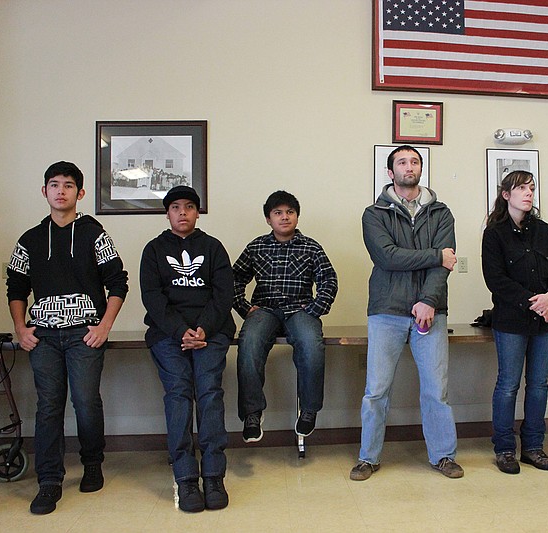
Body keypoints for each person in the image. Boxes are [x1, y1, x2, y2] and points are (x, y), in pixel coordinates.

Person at [6, 161, 128, 514]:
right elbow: (16, 286)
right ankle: (49, 480)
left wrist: (104, 325)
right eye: (54, 185)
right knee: (48, 406)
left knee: (86, 401)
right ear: (44, 191)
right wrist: (20, 327)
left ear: (80, 193)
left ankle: (92, 463)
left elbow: (118, 281)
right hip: (42, 336)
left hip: (84, 335)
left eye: (69, 185)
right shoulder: (29, 239)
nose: (61, 190)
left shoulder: (94, 234)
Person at [351, 145, 462, 481]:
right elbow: (387, 257)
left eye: (414, 161)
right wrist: (435, 255)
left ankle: (443, 456)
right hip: (386, 311)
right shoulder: (374, 213)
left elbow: (446, 265)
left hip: (431, 312)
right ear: (390, 172)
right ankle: (368, 458)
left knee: (436, 390)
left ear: (420, 169)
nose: (409, 166)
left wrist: (428, 300)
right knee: (377, 390)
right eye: (402, 162)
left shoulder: (442, 213)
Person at [140, 186, 234, 512]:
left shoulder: (213, 248)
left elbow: (224, 297)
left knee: (209, 391)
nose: (183, 212)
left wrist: (203, 329)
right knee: (179, 393)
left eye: (190, 207)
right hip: (168, 335)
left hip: (212, 332)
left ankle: (213, 475)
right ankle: (186, 478)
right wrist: (182, 331)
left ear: (198, 212)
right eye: (176, 207)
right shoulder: (153, 250)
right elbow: (152, 298)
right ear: (167, 213)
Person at [482, 171, 548, 474]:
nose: (529, 193)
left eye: (531, 188)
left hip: (547, 320)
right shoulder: (494, 233)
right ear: (506, 195)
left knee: (538, 384)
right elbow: (496, 280)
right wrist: (536, 303)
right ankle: (505, 448)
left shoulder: (545, 230)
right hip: (512, 321)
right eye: (521, 188)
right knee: (508, 385)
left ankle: (533, 447)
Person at [233, 190, 338, 442]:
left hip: (299, 309)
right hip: (264, 309)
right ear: (268, 219)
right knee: (248, 345)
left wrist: (314, 310)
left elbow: (329, 281)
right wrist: (245, 308)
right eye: (278, 213)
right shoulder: (256, 246)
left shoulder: (311, 247)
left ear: (297, 217)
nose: (284, 217)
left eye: (290, 212)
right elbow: (233, 279)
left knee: (312, 345)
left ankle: (309, 409)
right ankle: (252, 413)